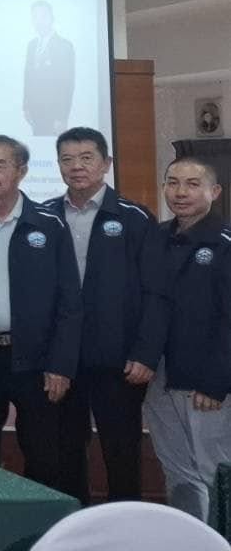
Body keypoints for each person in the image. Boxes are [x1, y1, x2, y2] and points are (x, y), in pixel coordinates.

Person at [0, 135, 81, 488]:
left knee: (42, 452)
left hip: (36, 361)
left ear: (21, 171)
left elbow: (69, 302)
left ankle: (39, 521)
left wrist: (60, 364)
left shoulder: (49, 223)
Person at [42, 126, 165, 504]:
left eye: (86, 158)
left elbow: (156, 294)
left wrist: (146, 354)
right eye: (67, 159)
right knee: (65, 451)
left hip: (119, 362)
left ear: (106, 163)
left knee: (121, 451)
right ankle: (71, 525)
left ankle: (124, 527)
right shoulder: (44, 216)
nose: (76, 167)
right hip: (61, 360)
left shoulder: (134, 218)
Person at [144, 157, 230, 521]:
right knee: (177, 470)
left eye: (193, 184)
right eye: (173, 182)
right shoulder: (156, 236)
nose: (180, 192)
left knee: (215, 470)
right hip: (160, 376)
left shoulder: (225, 243)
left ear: (215, 191)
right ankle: (190, 537)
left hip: (206, 383)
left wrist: (216, 382)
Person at [23, 0, 74, 136]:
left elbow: (67, 84)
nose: (38, 21)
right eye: (35, 17)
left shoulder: (64, 45)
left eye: (43, 16)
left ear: (52, 18)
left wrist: (61, 117)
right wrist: (26, 106)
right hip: (34, 111)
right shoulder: (32, 45)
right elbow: (28, 77)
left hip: (54, 114)